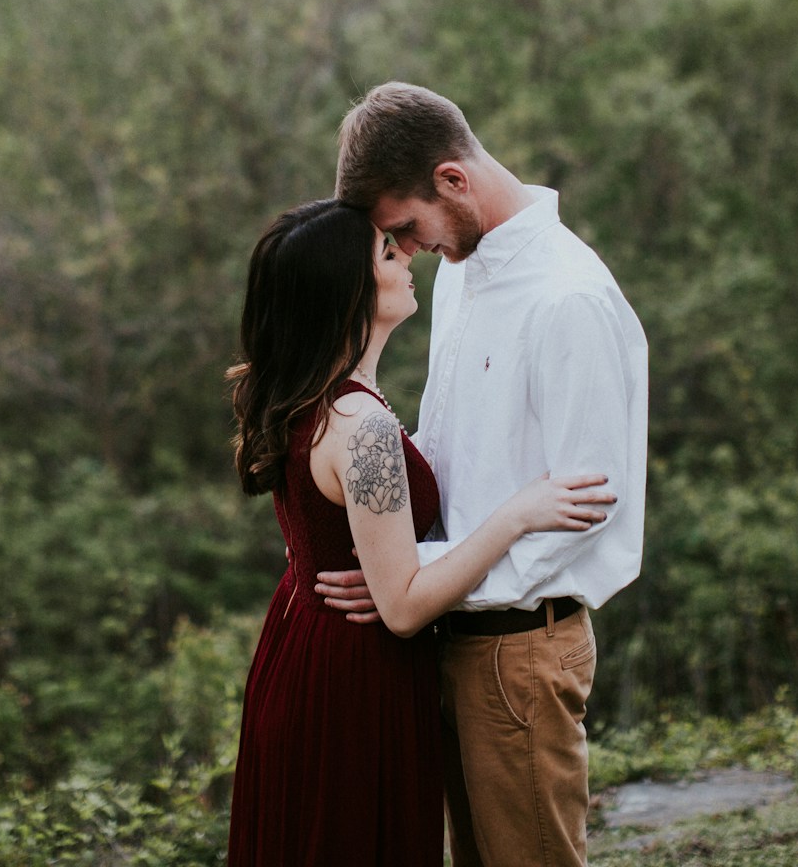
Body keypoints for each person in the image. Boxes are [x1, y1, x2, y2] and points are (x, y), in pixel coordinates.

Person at [225, 198, 616, 866]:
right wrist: (518, 513)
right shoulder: (360, 426)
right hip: (353, 676)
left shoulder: (313, 404)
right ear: (350, 291)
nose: (406, 254)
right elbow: (403, 607)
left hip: (305, 651)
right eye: (386, 252)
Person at [319, 82, 648, 867]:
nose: (403, 251)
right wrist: (401, 566)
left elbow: (586, 509)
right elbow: (454, 454)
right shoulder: (462, 270)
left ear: (453, 181)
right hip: (449, 636)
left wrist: (413, 575)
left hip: (519, 652)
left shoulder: (569, 299)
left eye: (404, 228)